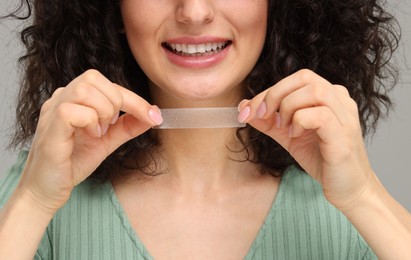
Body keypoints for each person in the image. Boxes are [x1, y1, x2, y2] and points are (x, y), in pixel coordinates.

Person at [0, 0, 410, 259]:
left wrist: (362, 196)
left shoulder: (343, 198)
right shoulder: (43, 186)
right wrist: (34, 200)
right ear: (112, 10)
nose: (194, 12)